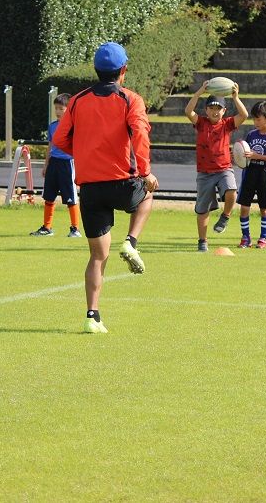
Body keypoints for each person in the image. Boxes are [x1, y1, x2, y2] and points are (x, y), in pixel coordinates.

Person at [52, 42, 158, 334]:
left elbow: (60, 140)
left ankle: (92, 316)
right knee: (148, 194)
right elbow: (140, 135)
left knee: (98, 256)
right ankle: (131, 242)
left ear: (95, 69)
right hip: (122, 180)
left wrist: (85, 153)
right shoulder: (130, 99)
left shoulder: (77, 100)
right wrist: (146, 172)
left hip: (90, 188)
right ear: (123, 70)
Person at [183, 81, 247, 252]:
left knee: (232, 191)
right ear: (206, 110)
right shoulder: (201, 122)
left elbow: (244, 115)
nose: (215, 111)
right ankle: (202, 241)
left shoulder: (227, 124)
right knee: (202, 210)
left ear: (224, 111)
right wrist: (199, 92)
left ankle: (225, 216)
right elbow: (188, 111)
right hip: (204, 173)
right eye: (211, 108)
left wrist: (235, 97)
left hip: (224, 169)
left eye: (218, 108)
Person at [30, 92, 82, 238]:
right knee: (49, 196)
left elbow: (78, 146)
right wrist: (46, 165)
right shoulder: (52, 126)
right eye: (56, 108)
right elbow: (50, 147)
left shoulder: (74, 126)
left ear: (68, 109)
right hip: (54, 163)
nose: (58, 111)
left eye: (61, 108)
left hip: (67, 164)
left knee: (71, 197)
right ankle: (47, 228)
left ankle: (75, 229)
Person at [236, 100, 266, 249]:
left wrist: (257, 156)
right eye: (254, 119)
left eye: (258, 119)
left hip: (264, 174)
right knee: (244, 207)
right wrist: (238, 155)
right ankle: (245, 237)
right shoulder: (251, 135)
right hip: (249, 173)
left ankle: (263, 238)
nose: (255, 122)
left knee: (264, 208)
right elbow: (245, 155)